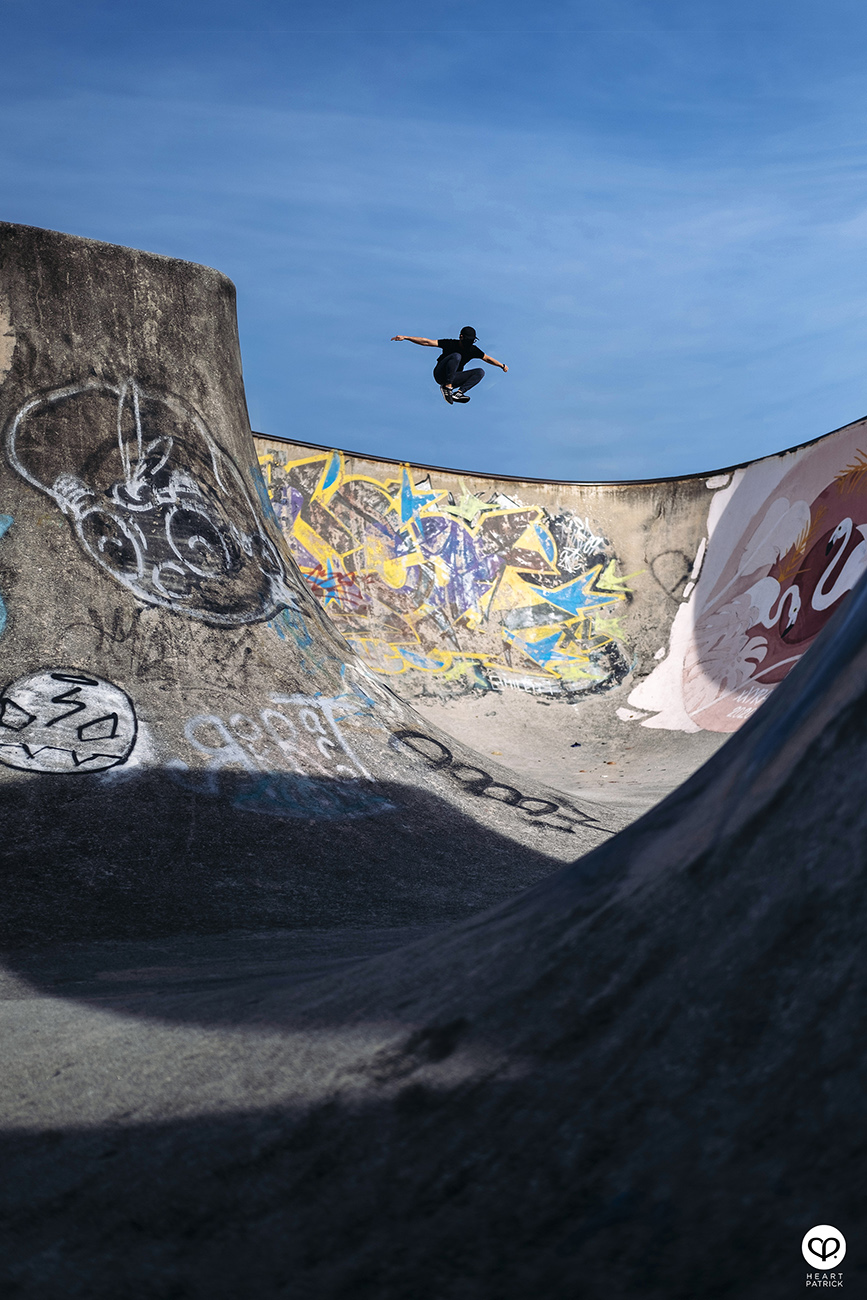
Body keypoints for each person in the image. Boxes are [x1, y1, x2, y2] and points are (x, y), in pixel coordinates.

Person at [391, 326, 509, 404]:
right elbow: (427, 342)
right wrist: (406, 338)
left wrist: (501, 366)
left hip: (455, 378)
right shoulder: (450, 343)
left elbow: (487, 359)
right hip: (440, 374)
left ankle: (458, 394)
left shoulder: (473, 350)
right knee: (456, 356)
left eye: (471, 341)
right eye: (467, 341)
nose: (469, 344)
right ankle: (447, 387)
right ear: (461, 337)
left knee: (480, 372)